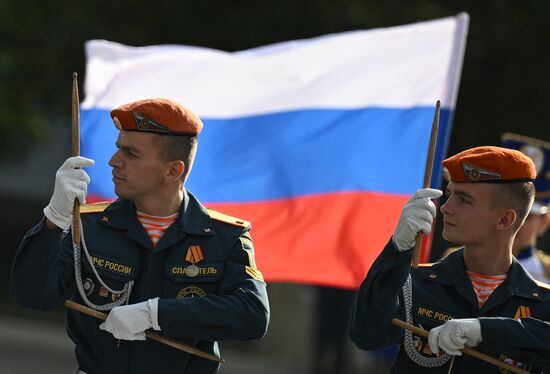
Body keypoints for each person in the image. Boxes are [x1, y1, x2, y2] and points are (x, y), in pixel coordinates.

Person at [10, 98, 270, 374]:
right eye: (118, 148)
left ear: (173, 170)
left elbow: (252, 315)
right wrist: (53, 219)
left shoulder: (224, 236)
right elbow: (32, 296)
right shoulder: (88, 224)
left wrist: (155, 314)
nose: (113, 161)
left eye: (131, 154)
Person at [350, 146, 550, 373]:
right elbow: (366, 335)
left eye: (464, 200)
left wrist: (484, 330)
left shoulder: (542, 305)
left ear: (504, 219)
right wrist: (396, 249)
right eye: (450, 194)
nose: (445, 208)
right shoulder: (414, 282)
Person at [502, 133, 550, 283]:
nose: (514, 221)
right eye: (507, 213)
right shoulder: (460, 261)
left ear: (544, 223)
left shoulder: (547, 274)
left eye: (527, 216)